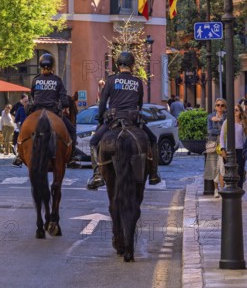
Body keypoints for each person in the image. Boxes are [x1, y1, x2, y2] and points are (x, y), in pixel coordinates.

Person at [87, 51, 161, 190]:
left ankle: (97, 174)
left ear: (118, 65)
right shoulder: (138, 82)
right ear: (132, 65)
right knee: (152, 139)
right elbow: (139, 105)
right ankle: (153, 174)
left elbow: (102, 103)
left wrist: (101, 118)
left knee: (93, 142)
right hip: (133, 120)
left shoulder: (111, 80)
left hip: (113, 119)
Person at [12, 53, 77, 167]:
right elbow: (64, 99)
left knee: (23, 130)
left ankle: (19, 154)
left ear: (40, 66)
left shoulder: (35, 80)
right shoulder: (57, 80)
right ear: (52, 66)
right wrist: (65, 106)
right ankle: (71, 157)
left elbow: (32, 95)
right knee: (72, 131)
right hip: (54, 112)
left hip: (36, 111)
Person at [220, 103, 247, 189]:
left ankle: (239, 189)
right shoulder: (227, 122)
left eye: (236, 110)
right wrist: (223, 148)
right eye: (233, 110)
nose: (234, 112)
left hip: (240, 150)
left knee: (240, 171)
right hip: (229, 151)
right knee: (229, 172)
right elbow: (222, 136)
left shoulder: (243, 123)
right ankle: (230, 189)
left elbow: (245, 138)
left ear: (240, 112)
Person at [204, 98, 226, 198]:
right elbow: (209, 131)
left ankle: (222, 189)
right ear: (215, 106)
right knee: (213, 167)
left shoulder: (226, 117)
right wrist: (219, 131)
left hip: (223, 144)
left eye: (222, 105)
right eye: (218, 105)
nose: (220, 107)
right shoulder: (210, 117)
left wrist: (220, 121)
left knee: (222, 167)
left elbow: (227, 130)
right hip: (213, 144)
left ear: (225, 107)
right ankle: (216, 189)